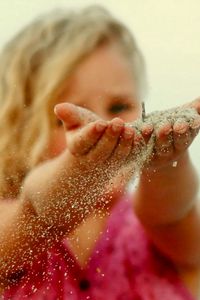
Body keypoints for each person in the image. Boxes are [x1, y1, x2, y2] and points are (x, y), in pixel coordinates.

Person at [0, 5, 200, 300]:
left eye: (119, 107)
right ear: (22, 131)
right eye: (63, 119)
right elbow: (35, 211)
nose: (108, 126)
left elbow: (171, 215)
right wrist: (80, 170)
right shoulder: (14, 226)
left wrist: (164, 160)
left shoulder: (156, 229)